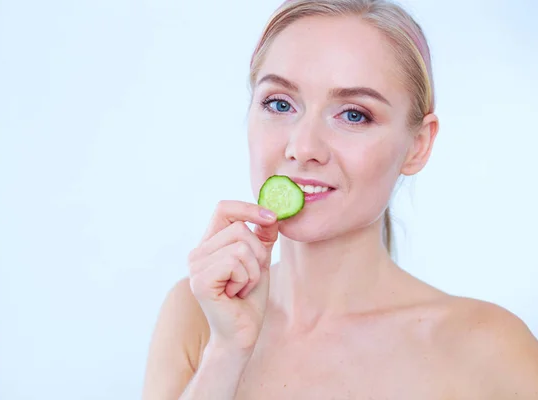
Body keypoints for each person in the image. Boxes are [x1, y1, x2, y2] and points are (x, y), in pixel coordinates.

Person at [142, 0, 538, 398]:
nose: (303, 146)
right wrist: (227, 353)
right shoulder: (199, 313)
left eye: (353, 115)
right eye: (280, 104)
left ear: (418, 146)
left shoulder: (489, 349)